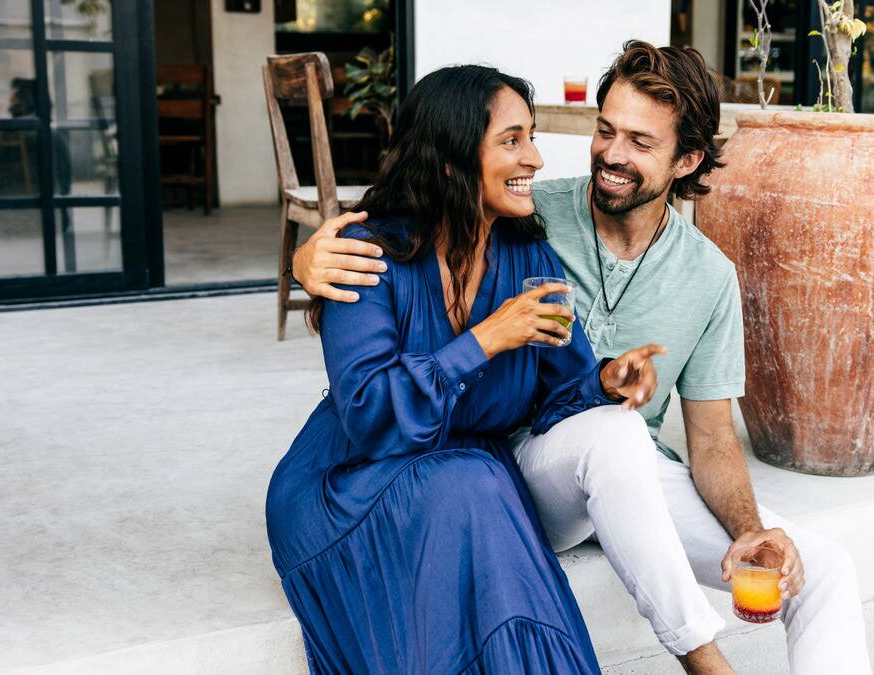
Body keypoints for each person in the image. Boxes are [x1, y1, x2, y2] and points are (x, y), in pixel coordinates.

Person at [293, 42, 872, 674]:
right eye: (605, 132)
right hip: (523, 466)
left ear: (688, 160)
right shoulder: (531, 212)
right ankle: (704, 661)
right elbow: (414, 213)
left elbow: (710, 438)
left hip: (628, 476)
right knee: (612, 435)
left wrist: (747, 525)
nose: (611, 155)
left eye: (641, 143)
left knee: (826, 569)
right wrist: (307, 261)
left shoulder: (703, 275)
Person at [265, 64, 668, 674]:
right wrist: (483, 340)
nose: (534, 157)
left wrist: (604, 380)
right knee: (477, 485)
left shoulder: (526, 253)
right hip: (348, 485)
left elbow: (558, 397)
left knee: (481, 485)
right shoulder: (368, 256)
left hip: (464, 484)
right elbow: (371, 420)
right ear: (452, 160)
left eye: (531, 136)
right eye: (512, 140)